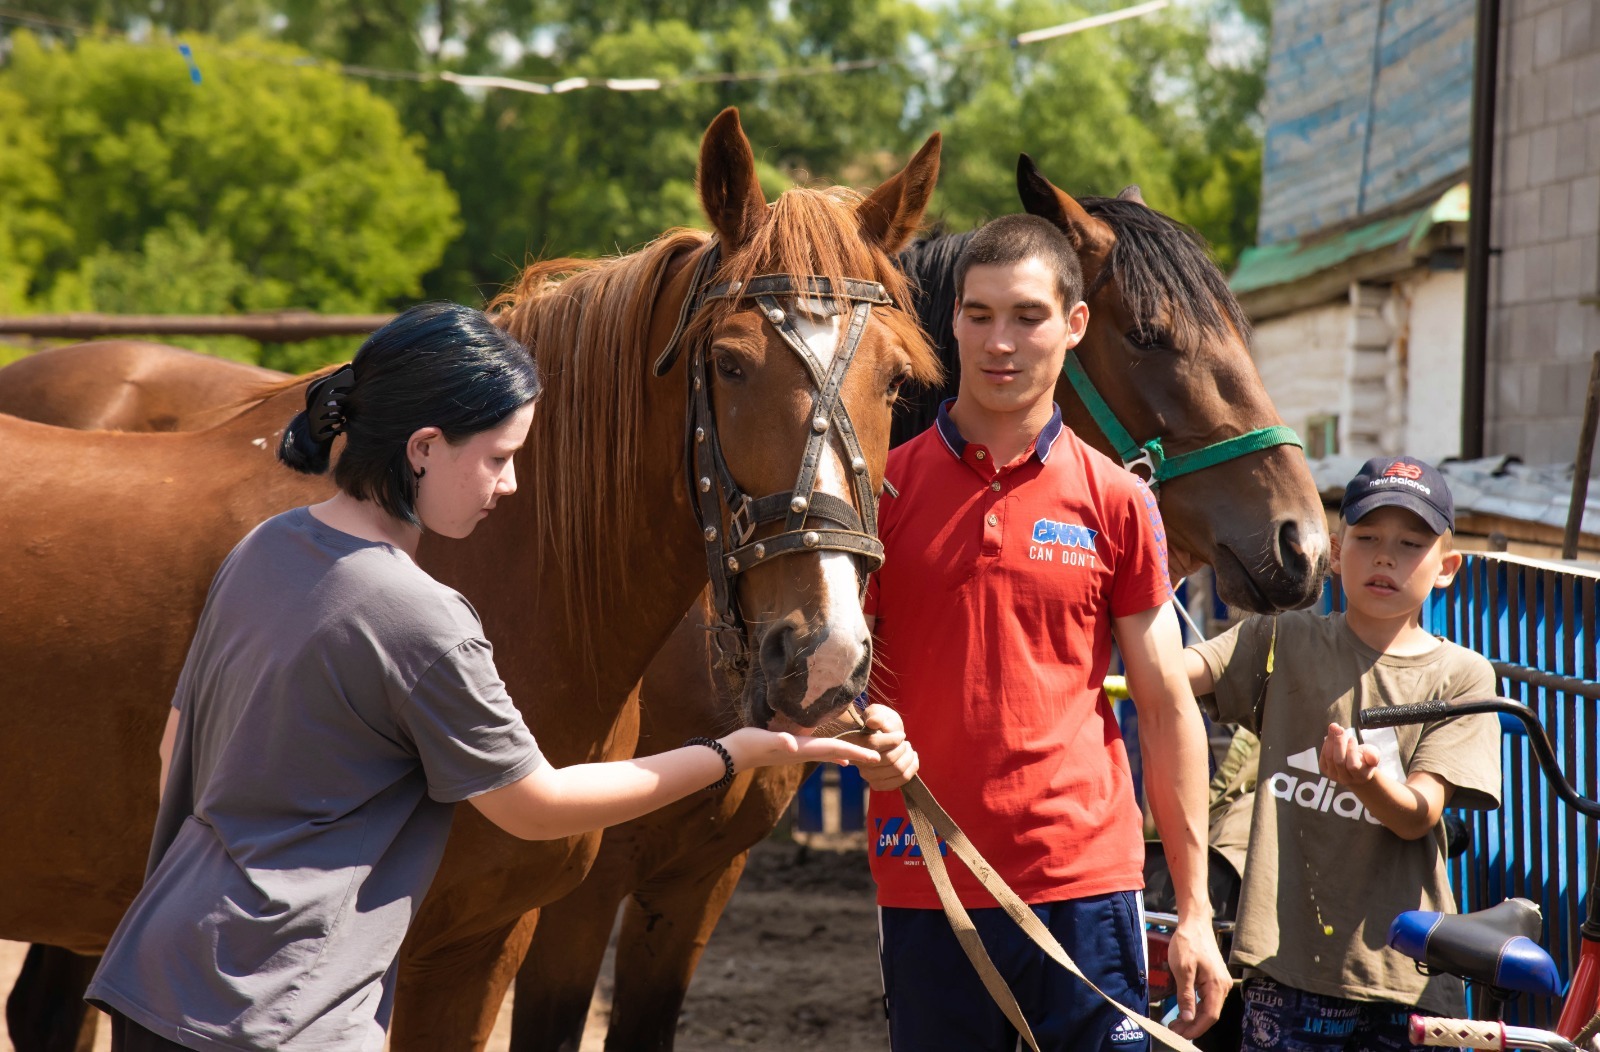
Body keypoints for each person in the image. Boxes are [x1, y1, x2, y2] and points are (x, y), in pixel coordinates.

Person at [82, 302, 918, 1052]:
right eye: (498, 457)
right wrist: (739, 752)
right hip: (288, 1009)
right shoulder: (423, 616)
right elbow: (537, 806)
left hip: (163, 971)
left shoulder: (265, 547)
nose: (512, 485)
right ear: (423, 450)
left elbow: (176, 754)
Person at [864, 214, 1231, 1051]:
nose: (1000, 342)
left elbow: (1169, 707)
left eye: (1027, 315)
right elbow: (826, 684)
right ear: (950, 321)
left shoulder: (1118, 500)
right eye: (978, 313)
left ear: (1073, 325)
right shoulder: (880, 492)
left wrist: (1197, 912)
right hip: (930, 887)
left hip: (1087, 890)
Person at [1185, 455, 1502, 1052]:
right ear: (1334, 550)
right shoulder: (1284, 636)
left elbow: (1417, 814)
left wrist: (1366, 782)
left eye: (1411, 543)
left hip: (1404, 978)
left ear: (1447, 568)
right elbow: (1180, 673)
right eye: (1367, 538)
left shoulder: (1462, 677)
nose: (1386, 557)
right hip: (1284, 967)